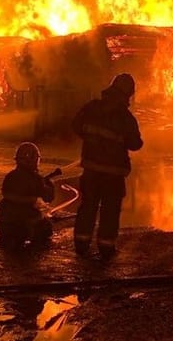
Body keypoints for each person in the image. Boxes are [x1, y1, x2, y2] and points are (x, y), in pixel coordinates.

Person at [72, 73, 143, 259]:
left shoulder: (92, 108)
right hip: (113, 174)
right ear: (128, 94)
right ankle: (106, 247)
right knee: (110, 212)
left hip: (91, 171)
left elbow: (76, 125)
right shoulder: (126, 118)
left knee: (87, 207)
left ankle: (81, 243)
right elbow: (136, 144)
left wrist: (91, 141)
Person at [0, 142, 59, 250]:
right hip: (25, 220)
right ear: (34, 160)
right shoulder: (36, 179)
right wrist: (49, 185)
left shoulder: (10, 176)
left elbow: (6, 194)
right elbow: (48, 197)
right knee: (46, 228)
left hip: (6, 219)